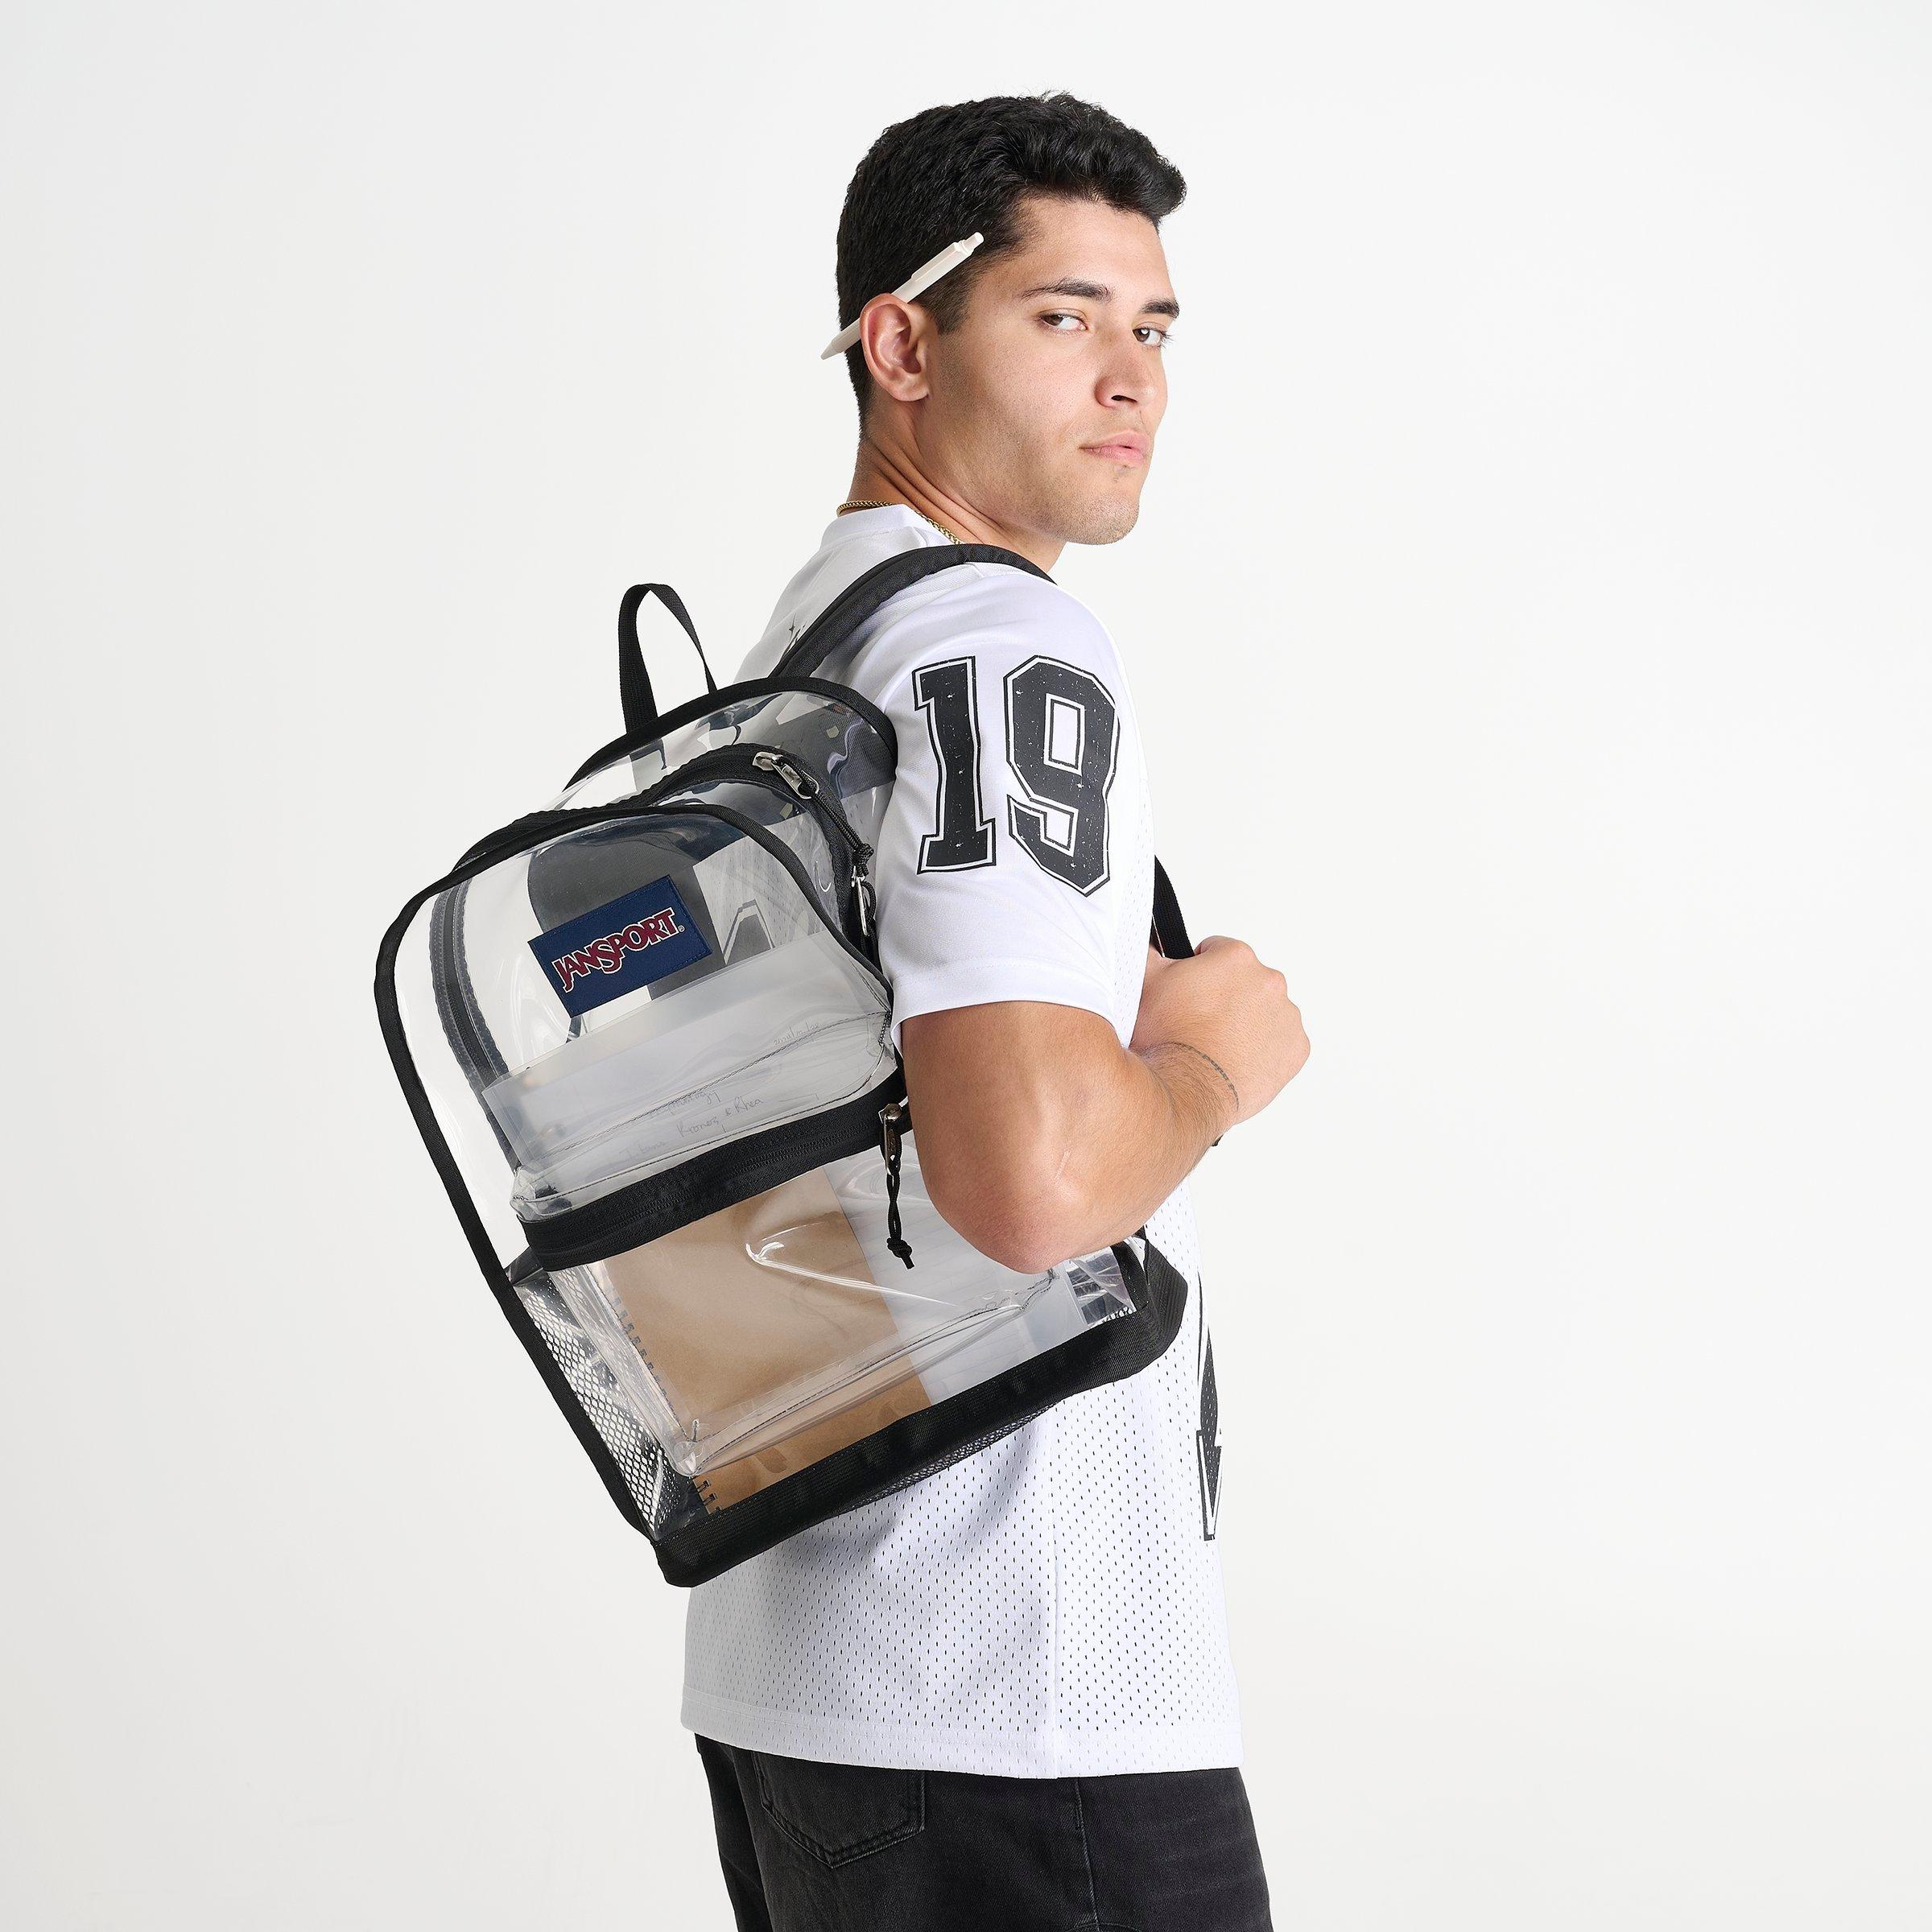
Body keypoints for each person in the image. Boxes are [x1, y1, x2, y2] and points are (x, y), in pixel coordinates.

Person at [684, 93, 1311, 1932]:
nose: (1133, 378)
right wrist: (1207, 1062)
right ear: (902, 347)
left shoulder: (808, 653)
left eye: (1155, 326)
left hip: (811, 1657)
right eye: (1063, 316)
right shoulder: (991, 651)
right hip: (1016, 1685)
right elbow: (1030, 1185)